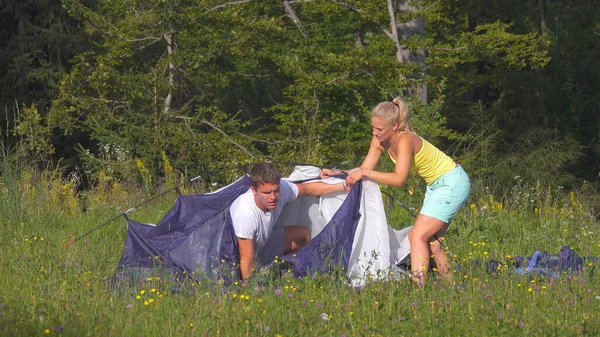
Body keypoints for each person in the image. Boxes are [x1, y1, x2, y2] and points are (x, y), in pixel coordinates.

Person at [321, 97, 470, 285]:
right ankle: (453, 287)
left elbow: (399, 179)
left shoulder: (405, 139)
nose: (375, 133)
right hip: (435, 186)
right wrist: (339, 173)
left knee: (417, 236)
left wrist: (365, 172)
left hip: (452, 182)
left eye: (380, 129)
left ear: (395, 125)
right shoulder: (379, 140)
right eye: (373, 128)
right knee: (433, 242)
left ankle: (419, 288)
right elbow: (364, 168)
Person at [230, 162, 348, 280]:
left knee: (303, 235)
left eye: (276, 191)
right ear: (253, 190)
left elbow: (307, 189)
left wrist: (344, 186)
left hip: (263, 245)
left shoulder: (283, 189)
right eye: (266, 193)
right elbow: (246, 258)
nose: (273, 197)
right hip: (242, 253)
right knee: (248, 265)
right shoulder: (245, 213)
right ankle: (268, 277)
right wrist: (250, 289)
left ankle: (296, 274)